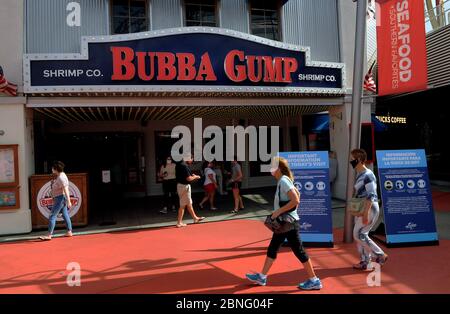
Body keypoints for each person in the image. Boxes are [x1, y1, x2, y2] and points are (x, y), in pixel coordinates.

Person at [245, 157, 322, 290]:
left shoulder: (284, 181)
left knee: (298, 250)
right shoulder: (284, 180)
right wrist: (287, 212)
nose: (270, 169)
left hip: (288, 223)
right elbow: (298, 196)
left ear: (278, 169)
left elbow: (296, 199)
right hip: (287, 222)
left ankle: (314, 280)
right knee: (275, 248)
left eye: (272, 167)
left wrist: (278, 212)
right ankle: (262, 276)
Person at [350, 149, 388, 270]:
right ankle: (365, 261)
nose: (350, 161)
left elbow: (371, 195)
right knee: (362, 235)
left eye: (352, 159)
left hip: (369, 208)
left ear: (359, 160)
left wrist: (366, 213)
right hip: (362, 208)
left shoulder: (368, 174)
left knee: (358, 235)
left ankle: (380, 254)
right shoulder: (360, 174)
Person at [39, 161, 73, 241]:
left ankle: (49, 235)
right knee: (65, 214)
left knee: (52, 216)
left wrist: (69, 201)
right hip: (60, 198)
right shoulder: (61, 175)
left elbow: (66, 189)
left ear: (56, 169)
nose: (52, 169)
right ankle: (69, 231)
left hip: (60, 198)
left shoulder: (61, 177)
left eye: (53, 168)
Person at [175, 154, 206, 228]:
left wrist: (192, 176)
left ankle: (195, 218)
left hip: (181, 185)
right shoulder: (184, 166)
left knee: (189, 203)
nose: (192, 161)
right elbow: (188, 178)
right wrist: (195, 177)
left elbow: (186, 176)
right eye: (192, 159)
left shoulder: (179, 165)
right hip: (184, 186)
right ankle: (179, 222)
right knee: (183, 205)